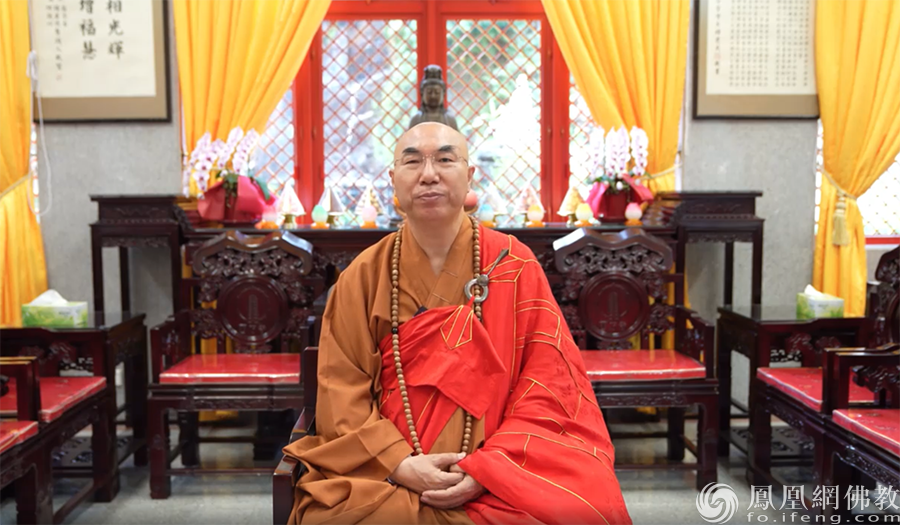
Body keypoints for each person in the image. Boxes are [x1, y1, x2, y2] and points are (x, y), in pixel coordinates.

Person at [282, 123, 631, 525]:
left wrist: (490, 467)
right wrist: (399, 463)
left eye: (445, 159)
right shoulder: (362, 278)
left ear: (470, 177)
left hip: (504, 473)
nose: (429, 173)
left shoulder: (513, 266)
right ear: (393, 182)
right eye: (412, 161)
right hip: (383, 476)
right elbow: (341, 390)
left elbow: (550, 384)